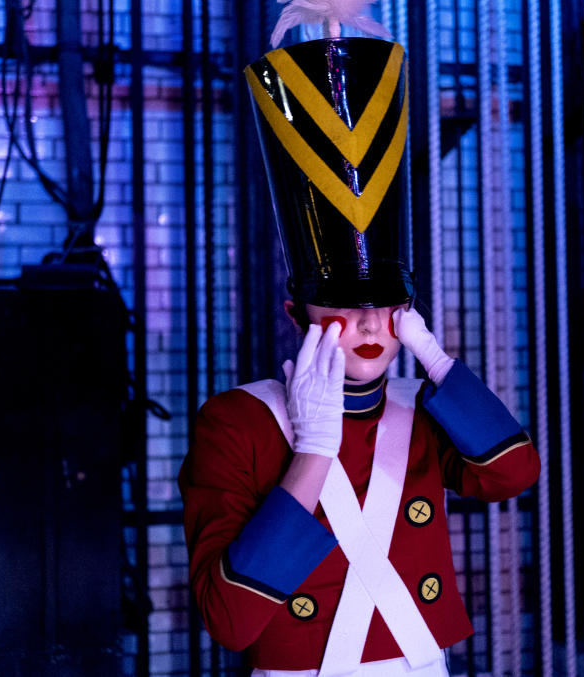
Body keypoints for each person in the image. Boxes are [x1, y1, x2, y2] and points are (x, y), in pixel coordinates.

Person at [179, 6, 540, 675]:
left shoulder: (426, 407)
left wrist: (438, 361)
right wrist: (312, 453)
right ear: (297, 311)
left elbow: (515, 472)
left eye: (387, 304)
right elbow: (230, 619)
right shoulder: (238, 422)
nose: (373, 324)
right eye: (346, 305)